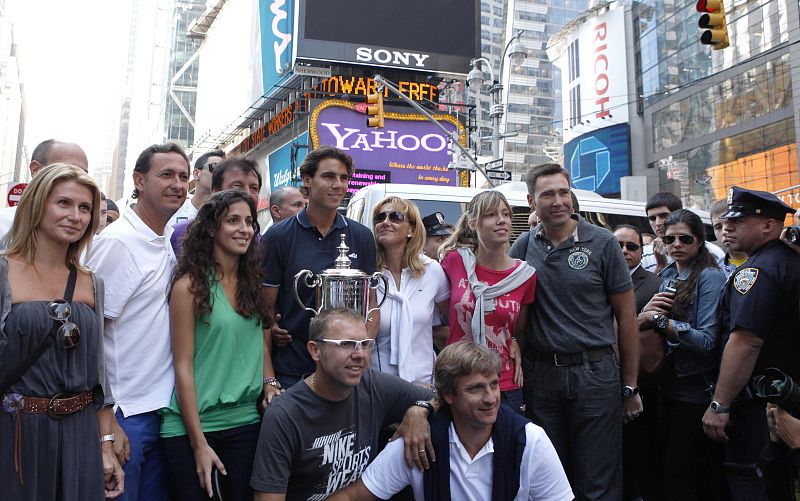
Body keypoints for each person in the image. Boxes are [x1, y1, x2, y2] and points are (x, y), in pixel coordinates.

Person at [508, 163, 641, 499]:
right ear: (531, 201)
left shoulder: (604, 243)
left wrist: (630, 386)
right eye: (547, 194)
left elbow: (627, 319)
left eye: (563, 192)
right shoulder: (523, 246)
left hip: (595, 375)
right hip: (541, 377)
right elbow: (508, 307)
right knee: (548, 478)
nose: (558, 201)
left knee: (599, 481)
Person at [0, 163, 123, 499]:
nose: (76, 216)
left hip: (80, 431)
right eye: (64, 203)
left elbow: (99, 373)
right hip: (17, 432)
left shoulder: (91, 282)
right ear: (37, 205)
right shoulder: (3, 271)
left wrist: (106, 446)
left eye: (85, 208)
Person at [327, 341, 574, 501]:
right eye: (476, 389)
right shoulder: (420, 441)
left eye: (494, 385)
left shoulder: (530, 440)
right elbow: (355, 495)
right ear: (448, 395)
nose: (490, 398)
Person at [87, 142, 190, 501]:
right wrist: (107, 420)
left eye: (183, 176)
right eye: (166, 175)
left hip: (161, 410)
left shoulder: (164, 238)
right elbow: (91, 333)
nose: (178, 183)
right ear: (139, 180)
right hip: (125, 415)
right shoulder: (119, 242)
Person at [250, 307, 436, 500]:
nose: (359, 354)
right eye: (346, 344)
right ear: (315, 351)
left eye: (364, 344)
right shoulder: (284, 415)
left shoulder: (373, 385)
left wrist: (421, 410)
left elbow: (446, 395)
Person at [161, 190, 276, 500]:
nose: (244, 229)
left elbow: (260, 345)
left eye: (250, 222)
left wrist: (269, 384)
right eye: (233, 221)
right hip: (193, 427)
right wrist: (199, 444)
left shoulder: (252, 282)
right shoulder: (189, 286)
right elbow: (183, 366)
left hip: (247, 422)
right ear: (212, 228)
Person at [702, 187, 800, 500]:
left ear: (769, 226)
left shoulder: (759, 271)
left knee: (756, 483)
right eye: (727, 221)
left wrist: (720, 404)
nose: (728, 227)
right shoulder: (786, 261)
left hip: (764, 404)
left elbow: (745, 342)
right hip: (783, 397)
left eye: (739, 221)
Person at [260, 146, 378, 389]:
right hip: (293, 370)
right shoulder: (279, 237)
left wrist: (356, 349)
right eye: (328, 176)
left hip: (345, 372)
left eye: (343, 178)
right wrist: (269, 380)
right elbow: (263, 314)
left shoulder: (362, 236)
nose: (338, 185)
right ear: (307, 180)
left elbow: (372, 306)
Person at [638, 209, 728, 500]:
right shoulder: (665, 275)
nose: (676, 244)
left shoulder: (709, 277)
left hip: (696, 389)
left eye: (685, 239)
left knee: (686, 473)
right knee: (669, 469)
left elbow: (706, 341)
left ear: (700, 242)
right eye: (670, 238)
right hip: (667, 383)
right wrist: (647, 315)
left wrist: (661, 321)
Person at [439, 190, 536, 415]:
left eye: (505, 214)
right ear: (473, 223)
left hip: (504, 384)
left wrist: (513, 341)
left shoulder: (525, 275)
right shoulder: (454, 261)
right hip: (458, 382)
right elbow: (440, 315)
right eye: (491, 214)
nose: (501, 220)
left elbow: (519, 332)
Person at [371, 197, 449, 384]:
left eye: (395, 217)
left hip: (424, 384)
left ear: (412, 230)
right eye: (380, 217)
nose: (385, 222)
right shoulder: (368, 274)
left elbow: (453, 321)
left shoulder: (432, 271)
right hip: (378, 385)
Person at [614, 224, 663, 501]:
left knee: (642, 453)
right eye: (619, 245)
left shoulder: (654, 284)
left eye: (631, 246)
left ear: (641, 252)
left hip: (642, 382)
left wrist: (642, 317)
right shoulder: (598, 279)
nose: (624, 251)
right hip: (604, 380)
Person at [0, 140, 90, 246]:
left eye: (85, 207)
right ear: (35, 170)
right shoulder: (2, 224)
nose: (77, 178)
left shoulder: (87, 240)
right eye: (63, 202)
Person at [170, 157, 262, 257]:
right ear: (216, 191)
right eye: (237, 186)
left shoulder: (260, 242)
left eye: (254, 188)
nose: (247, 193)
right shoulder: (178, 235)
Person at [641, 192, 725, 273]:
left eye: (663, 216)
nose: (658, 223)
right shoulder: (643, 254)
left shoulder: (714, 252)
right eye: (652, 218)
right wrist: (660, 267)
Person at [170, 150, 225, 226]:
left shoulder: (227, 214)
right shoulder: (173, 210)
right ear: (196, 173)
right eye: (215, 167)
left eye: (225, 171)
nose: (221, 175)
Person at [709, 199, 748, 278]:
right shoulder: (713, 271)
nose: (725, 231)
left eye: (734, 222)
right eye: (718, 227)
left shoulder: (769, 263)